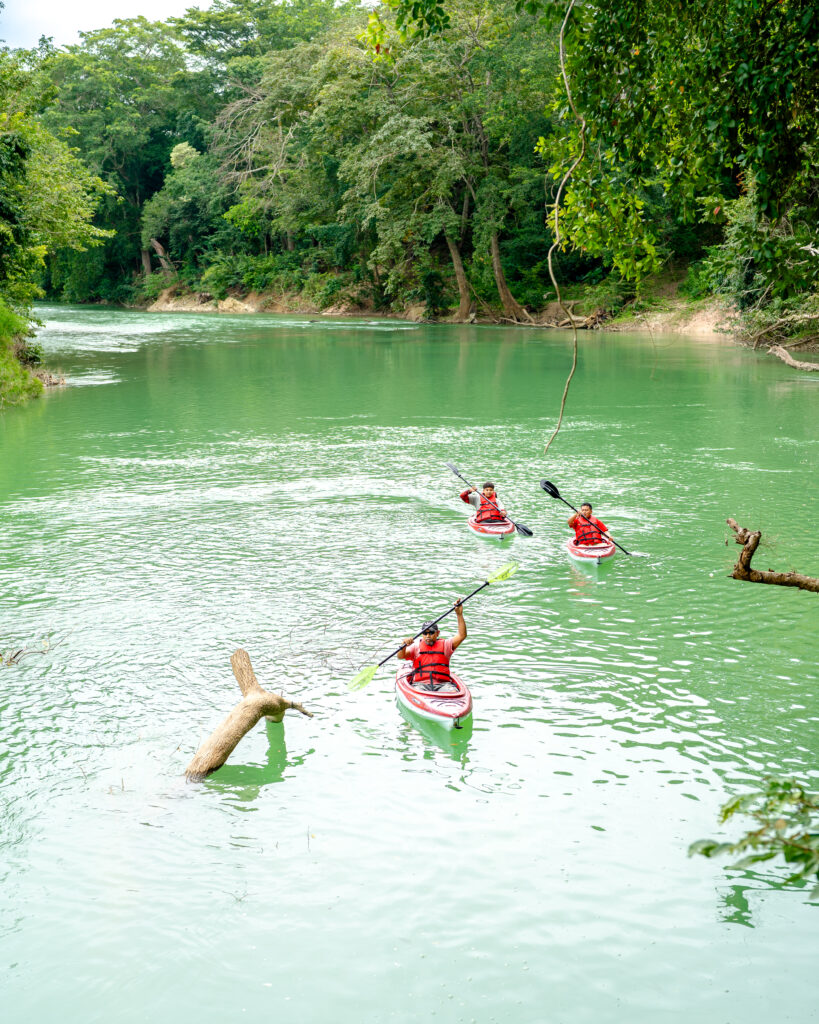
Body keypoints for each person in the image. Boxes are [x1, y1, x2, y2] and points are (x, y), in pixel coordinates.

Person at [397, 599, 466, 691]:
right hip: (420, 685)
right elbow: (400, 656)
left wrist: (459, 614)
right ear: (422, 634)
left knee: (453, 692)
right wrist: (404, 645)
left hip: (443, 685)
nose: (428, 636)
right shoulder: (416, 646)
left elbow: (462, 635)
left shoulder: (446, 645)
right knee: (418, 691)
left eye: (431, 633)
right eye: (425, 633)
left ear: (437, 633)